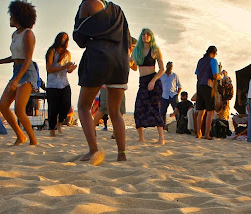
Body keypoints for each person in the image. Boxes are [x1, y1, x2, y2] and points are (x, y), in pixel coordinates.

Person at [74, 0, 131, 163]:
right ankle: (122, 154)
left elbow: (79, 38)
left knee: (84, 106)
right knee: (115, 111)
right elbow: (127, 38)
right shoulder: (117, 10)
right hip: (120, 61)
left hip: (98, 57)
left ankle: (93, 150)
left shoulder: (88, 4)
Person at [0, 1, 39, 146]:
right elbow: (15, 56)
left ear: (19, 16)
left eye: (11, 15)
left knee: (19, 109)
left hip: (27, 71)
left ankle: (33, 140)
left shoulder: (28, 34)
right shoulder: (15, 34)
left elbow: (27, 58)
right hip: (16, 69)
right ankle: (20, 135)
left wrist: (17, 80)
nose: (10, 18)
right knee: (3, 105)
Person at [131, 28, 165, 144]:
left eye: (148, 34)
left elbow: (162, 69)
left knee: (155, 108)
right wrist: (129, 60)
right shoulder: (136, 50)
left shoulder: (155, 50)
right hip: (142, 82)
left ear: (151, 36)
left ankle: (161, 139)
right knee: (138, 109)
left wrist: (153, 81)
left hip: (153, 81)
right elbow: (134, 67)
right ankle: (141, 138)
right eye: (143, 34)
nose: (145, 36)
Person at [45, 32, 77, 137]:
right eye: (63, 38)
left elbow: (67, 70)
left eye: (66, 38)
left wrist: (70, 68)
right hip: (52, 84)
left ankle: (60, 123)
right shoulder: (52, 51)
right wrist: (63, 67)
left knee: (66, 104)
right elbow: (49, 69)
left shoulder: (67, 53)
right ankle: (52, 130)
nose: (64, 40)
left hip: (64, 83)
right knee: (53, 108)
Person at [194, 46, 221, 139]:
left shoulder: (200, 61)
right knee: (210, 111)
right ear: (214, 53)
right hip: (208, 86)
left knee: (201, 111)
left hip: (199, 85)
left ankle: (198, 133)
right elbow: (215, 75)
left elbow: (197, 75)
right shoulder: (213, 61)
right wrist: (220, 75)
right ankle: (206, 134)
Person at [159, 61, 181, 126]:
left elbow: (179, 86)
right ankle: (163, 125)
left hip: (173, 95)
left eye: (171, 66)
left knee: (177, 111)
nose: (170, 68)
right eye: (169, 66)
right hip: (164, 96)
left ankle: (179, 125)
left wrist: (177, 94)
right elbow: (158, 86)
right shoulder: (162, 76)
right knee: (162, 111)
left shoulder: (175, 76)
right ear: (166, 66)